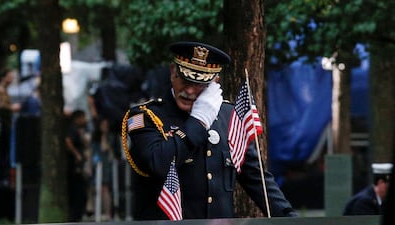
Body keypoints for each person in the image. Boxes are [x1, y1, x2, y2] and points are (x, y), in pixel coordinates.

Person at [122, 41, 297, 220]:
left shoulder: (228, 116)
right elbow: (157, 164)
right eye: (185, 80)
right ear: (173, 72)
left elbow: (256, 178)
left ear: (214, 82)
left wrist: (288, 216)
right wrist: (198, 122)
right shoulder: (146, 117)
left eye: (199, 84)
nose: (189, 90)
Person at [65, 110, 91, 221]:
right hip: (74, 169)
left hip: (79, 168)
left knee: (82, 194)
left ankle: (77, 217)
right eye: (83, 117)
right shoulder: (72, 129)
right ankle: (74, 218)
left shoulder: (79, 131)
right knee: (78, 194)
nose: (85, 120)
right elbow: (68, 141)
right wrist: (77, 155)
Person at [91, 117, 116, 221]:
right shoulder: (94, 137)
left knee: (105, 188)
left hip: (105, 165)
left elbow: (104, 148)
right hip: (95, 164)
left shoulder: (109, 137)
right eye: (103, 125)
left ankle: (107, 213)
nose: (104, 127)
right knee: (94, 188)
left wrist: (104, 136)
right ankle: (95, 211)